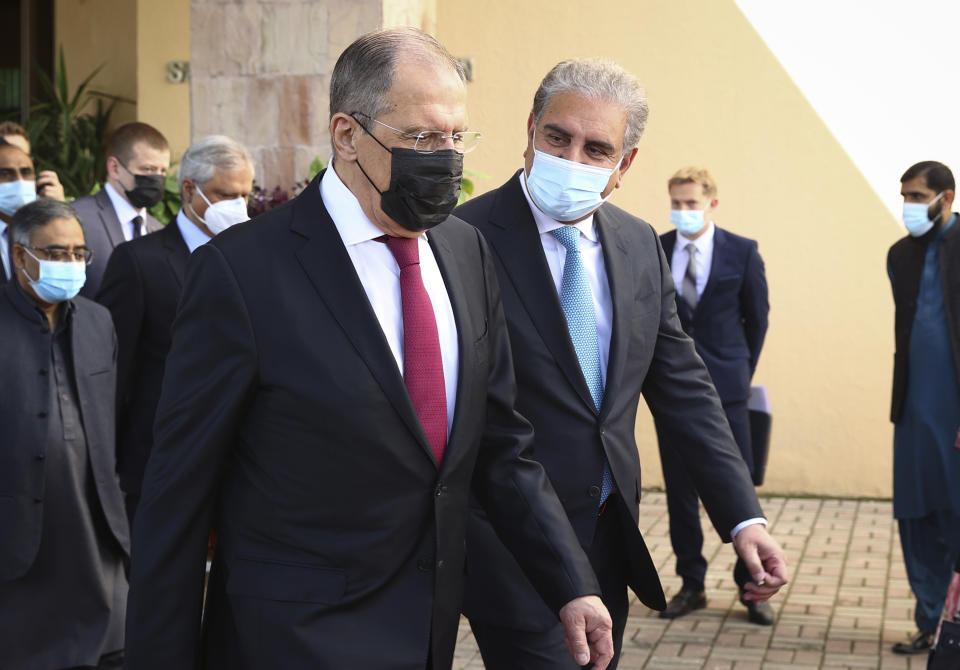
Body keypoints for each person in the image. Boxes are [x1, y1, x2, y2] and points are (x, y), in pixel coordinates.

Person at [125, 28, 614, 670]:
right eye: (419, 139)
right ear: (347, 134)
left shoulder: (467, 254)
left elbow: (499, 444)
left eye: (454, 139)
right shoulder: (242, 273)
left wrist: (570, 581)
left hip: (425, 635)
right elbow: (177, 495)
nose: (442, 159)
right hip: (291, 641)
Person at [454, 59, 786, 670]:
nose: (572, 158)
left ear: (624, 164)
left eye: (597, 147)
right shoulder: (460, 238)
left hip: (611, 535)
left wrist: (743, 519)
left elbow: (684, 389)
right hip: (510, 542)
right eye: (557, 137)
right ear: (530, 129)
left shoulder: (636, 244)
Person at [96, 135, 254, 524]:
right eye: (224, 194)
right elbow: (114, 373)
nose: (238, 206)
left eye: (245, 196)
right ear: (189, 190)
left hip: (242, 465)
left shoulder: (256, 261)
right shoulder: (138, 262)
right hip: (159, 462)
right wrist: (106, 464)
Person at [0, 199, 130, 670]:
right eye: (55, 253)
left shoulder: (99, 320)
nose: (70, 264)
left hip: (97, 528)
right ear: (20, 257)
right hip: (18, 540)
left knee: (110, 651)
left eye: (78, 253)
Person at [656, 167, 771, 624]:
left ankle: (752, 587)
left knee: (738, 486)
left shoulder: (742, 252)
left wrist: (739, 374)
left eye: (691, 203)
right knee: (680, 493)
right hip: (673, 393)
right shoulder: (657, 248)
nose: (683, 211)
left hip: (728, 390)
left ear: (711, 204)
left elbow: (757, 320)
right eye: (677, 203)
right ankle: (692, 583)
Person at [887, 160, 960, 655]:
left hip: (955, 410)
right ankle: (930, 620)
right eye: (905, 197)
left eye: (918, 196)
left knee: (956, 513)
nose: (910, 206)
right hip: (913, 404)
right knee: (915, 514)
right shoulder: (899, 255)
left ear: (947, 197)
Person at [72, 122, 170, 298]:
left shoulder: (159, 230)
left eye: (163, 171)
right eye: (148, 169)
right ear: (115, 168)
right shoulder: (76, 218)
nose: (157, 179)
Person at [0, 144, 64, 285]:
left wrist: (57, 213)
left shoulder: (45, 225)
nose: (19, 181)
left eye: (26, 172)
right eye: (5, 174)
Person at [0, 121, 65, 202]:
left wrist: (59, 206)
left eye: (22, 156)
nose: (19, 180)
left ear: (31, 162)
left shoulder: (44, 199)